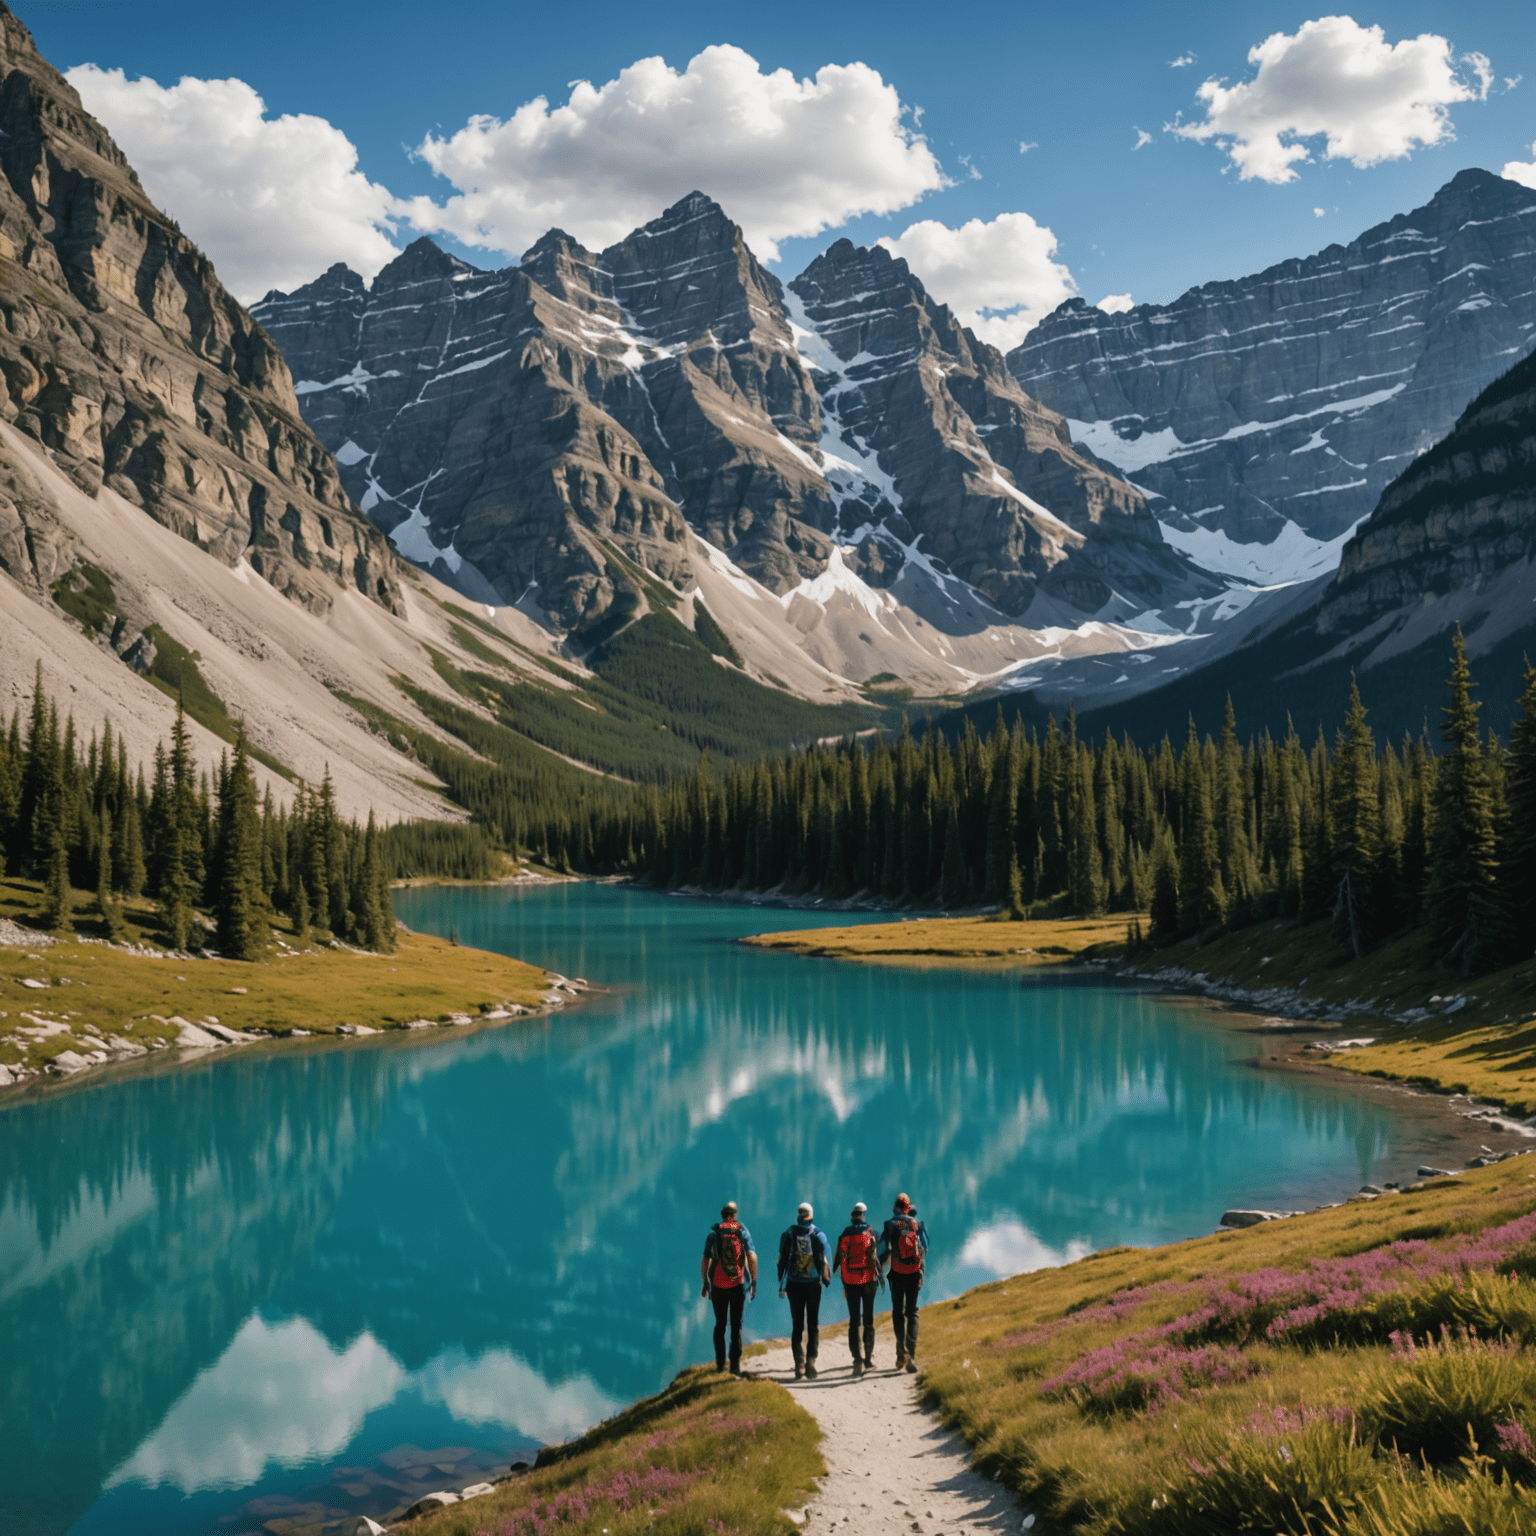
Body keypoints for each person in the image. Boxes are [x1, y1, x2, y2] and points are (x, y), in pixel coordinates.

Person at [700, 1200, 757, 1375]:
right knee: (736, 1327)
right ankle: (734, 1366)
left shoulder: (714, 1233)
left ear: (723, 1215)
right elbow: (752, 1257)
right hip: (738, 1284)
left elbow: (705, 1260)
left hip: (718, 1285)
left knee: (720, 1325)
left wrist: (705, 1283)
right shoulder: (742, 1231)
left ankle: (719, 1364)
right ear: (735, 1215)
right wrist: (753, 1281)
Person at [777, 1201, 831, 1380]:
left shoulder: (788, 1234)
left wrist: (781, 1280)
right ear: (811, 1216)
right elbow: (824, 1260)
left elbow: (781, 1260)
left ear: (798, 1216)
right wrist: (826, 1279)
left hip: (793, 1284)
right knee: (813, 1324)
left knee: (797, 1325)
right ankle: (811, 1362)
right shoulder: (819, 1234)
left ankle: (798, 1363)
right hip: (813, 1285)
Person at [879, 1192, 929, 1373]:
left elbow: (882, 1252)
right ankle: (911, 1356)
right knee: (912, 1312)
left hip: (897, 1273)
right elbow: (924, 1248)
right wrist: (921, 1271)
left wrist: (881, 1267)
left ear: (895, 1207)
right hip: (914, 1272)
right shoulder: (917, 1224)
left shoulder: (889, 1224)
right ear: (907, 1208)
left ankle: (901, 1351)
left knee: (898, 1313)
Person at [832, 1200, 882, 1377]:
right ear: (864, 1215)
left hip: (851, 1282)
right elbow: (880, 1255)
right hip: (869, 1283)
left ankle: (857, 1361)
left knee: (854, 1322)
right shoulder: (872, 1232)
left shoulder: (844, 1234)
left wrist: (842, 1282)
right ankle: (868, 1359)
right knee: (868, 1320)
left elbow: (837, 1261)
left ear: (852, 1217)